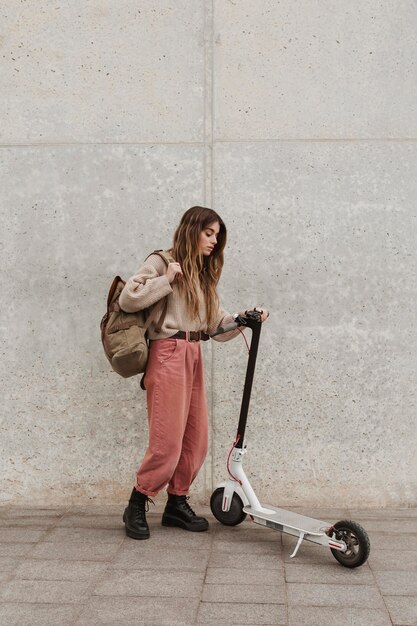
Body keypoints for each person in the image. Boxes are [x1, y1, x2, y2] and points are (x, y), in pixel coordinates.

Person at [119, 206, 269, 539]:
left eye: (218, 235)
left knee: (196, 440)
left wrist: (246, 317)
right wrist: (167, 279)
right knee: (166, 442)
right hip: (167, 353)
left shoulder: (201, 274)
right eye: (209, 233)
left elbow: (216, 325)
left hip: (193, 353)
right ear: (192, 230)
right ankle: (138, 501)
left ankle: (176, 503)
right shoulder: (162, 261)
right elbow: (129, 298)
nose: (215, 241)